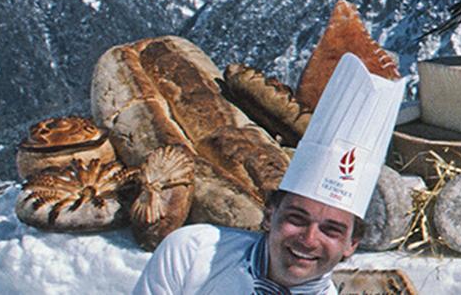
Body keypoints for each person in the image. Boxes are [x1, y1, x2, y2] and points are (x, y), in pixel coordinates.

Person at [132, 54, 405, 294]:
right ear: (270, 214)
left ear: (351, 244)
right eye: (297, 219)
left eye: (331, 230)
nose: (309, 240)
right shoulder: (191, 254)